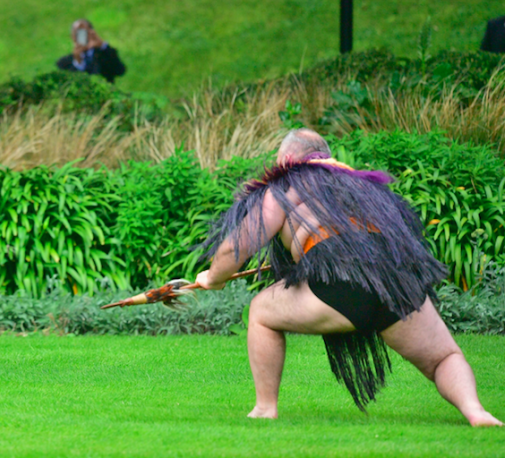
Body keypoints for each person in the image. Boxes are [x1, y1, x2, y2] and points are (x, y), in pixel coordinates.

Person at [196, 129, 501, 426]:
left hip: (342, 279)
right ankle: (475, 411)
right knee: (443, 357)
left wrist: (213, 276)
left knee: (261, 310)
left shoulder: (290, 182)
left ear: (289, 158)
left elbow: (240, 244)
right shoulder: (360, 186)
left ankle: (265, 408)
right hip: (395, 280)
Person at [55, 18, 126, 83]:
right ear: (72, 36)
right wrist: (78, 63)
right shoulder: (64, 63)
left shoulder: (105, 54)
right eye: (78, 33)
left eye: (84, 32)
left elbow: (120, 70)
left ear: (92, 33)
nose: (82, 37)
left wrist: (102, 45)